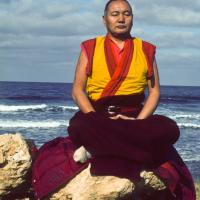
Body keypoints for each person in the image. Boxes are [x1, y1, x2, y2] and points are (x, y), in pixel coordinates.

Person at [32, 0, 196, 199]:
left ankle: (97, 148)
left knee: (169, 127)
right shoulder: (90, 47)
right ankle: (131, 150)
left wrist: (138, 122)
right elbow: (77, 90)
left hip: (133, 118)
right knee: (80, 125)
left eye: (127, 14)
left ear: (132, 19)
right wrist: (93, 117)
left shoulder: (146, 49)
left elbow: (154, 93)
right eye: (115, 13)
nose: (121, 18)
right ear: (104, 20)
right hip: (98, 116)